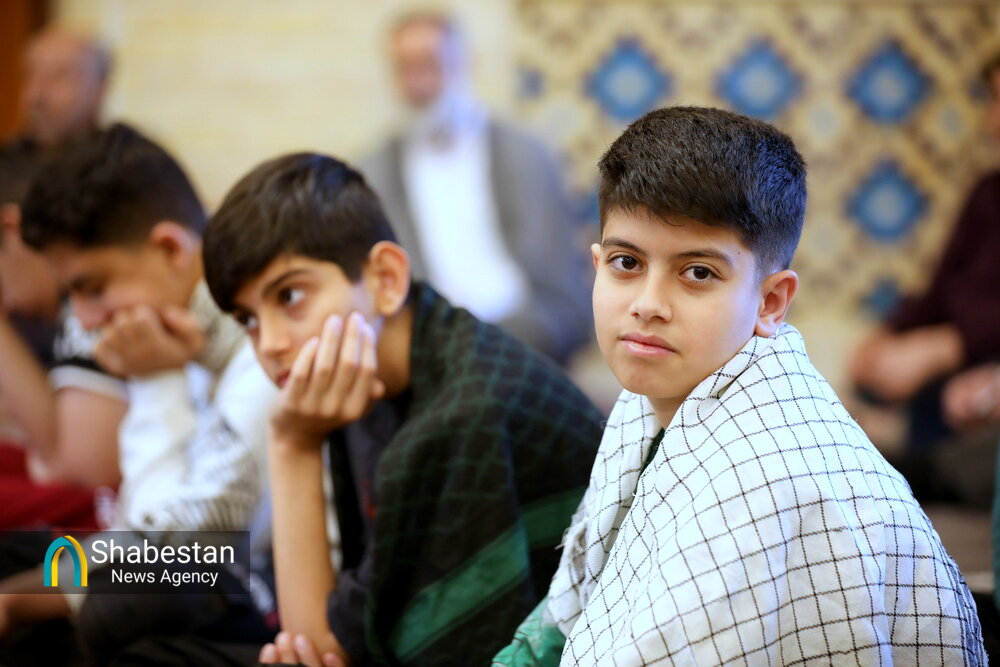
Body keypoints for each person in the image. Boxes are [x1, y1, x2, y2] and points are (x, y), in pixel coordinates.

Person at [494, 106, 985, 665]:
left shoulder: (762, 474)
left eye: (698, 272)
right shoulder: (652, 394)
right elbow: (560, 624)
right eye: (626, 263)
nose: (648, 305)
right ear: (596, 263)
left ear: (770, 301)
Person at [198, 152, 603, 665]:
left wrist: (292, 444)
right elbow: (325, 642)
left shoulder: (461, 413)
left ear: (386, 279)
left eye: (290, 295)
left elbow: (326, 650)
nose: (270, 343)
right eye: (248, 320)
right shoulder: (372, 372)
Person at [0, 124, 276, 662]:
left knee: (115, 611)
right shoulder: (183, 332)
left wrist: (154, 381)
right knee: (18, 557)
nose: (85, 319)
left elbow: (171, 556)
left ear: (171, 248)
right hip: (173, 572)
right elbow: (129, 530)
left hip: (245, 592)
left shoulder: (263, 349)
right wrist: (16, 596)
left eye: (92, 288)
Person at [361, 11, 590, 365]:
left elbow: (562, 289)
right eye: (404, 68)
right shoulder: (374, 173)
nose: (417, 84)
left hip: (525, 337)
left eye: (429, 64)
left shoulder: (528, 155)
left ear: (465, 63)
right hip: (429, 347)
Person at [850, 50, 1000, 451]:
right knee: (872, 381)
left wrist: (950, 346)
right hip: (956, 365)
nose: (993, 121)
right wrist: (888, 333)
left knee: (958, 412)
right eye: (994, 100)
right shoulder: (988, 192)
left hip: (981, 367)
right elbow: (940, 288)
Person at [0, 27, 124, 508]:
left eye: (60, 76)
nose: (37, 93)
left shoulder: (128, 175)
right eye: (32, 75)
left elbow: (74, 469)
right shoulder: (7, 163)